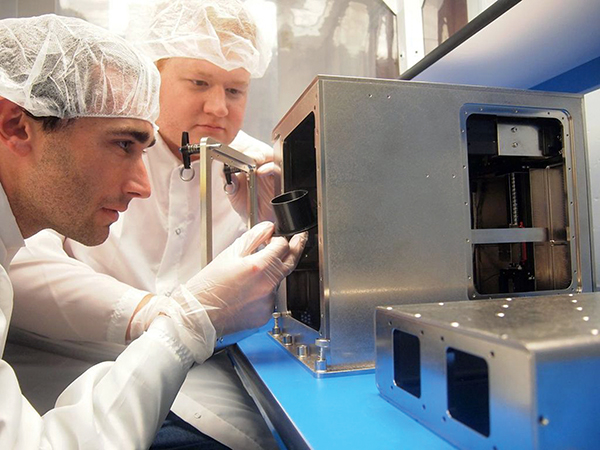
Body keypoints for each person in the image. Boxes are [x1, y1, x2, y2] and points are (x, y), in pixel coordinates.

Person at [0, 13, 305, 449]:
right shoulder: (54, 171)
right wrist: (162, 315)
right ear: (152, 75)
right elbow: (23, 260)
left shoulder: (266, 170)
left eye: (235, 89)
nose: (218, 107)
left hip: (206, 396)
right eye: (199, 82)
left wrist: (273, 226)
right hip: (71, 387)